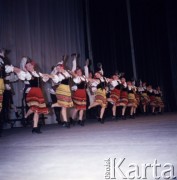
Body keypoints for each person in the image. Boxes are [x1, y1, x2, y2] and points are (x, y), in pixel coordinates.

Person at [6, 58, 49, 133]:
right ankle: (33, 124)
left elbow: (44, 79)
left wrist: (46, 77)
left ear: (33, 65)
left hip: (39, 92)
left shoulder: (38, 73)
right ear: (26, 68)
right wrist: (18, 69)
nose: (30, 66)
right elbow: (22, 75)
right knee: (35, 109)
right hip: (32, 92)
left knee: (36, 110)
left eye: (30, 65)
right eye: (28, 66)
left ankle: (34, 126)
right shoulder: (27, 74)